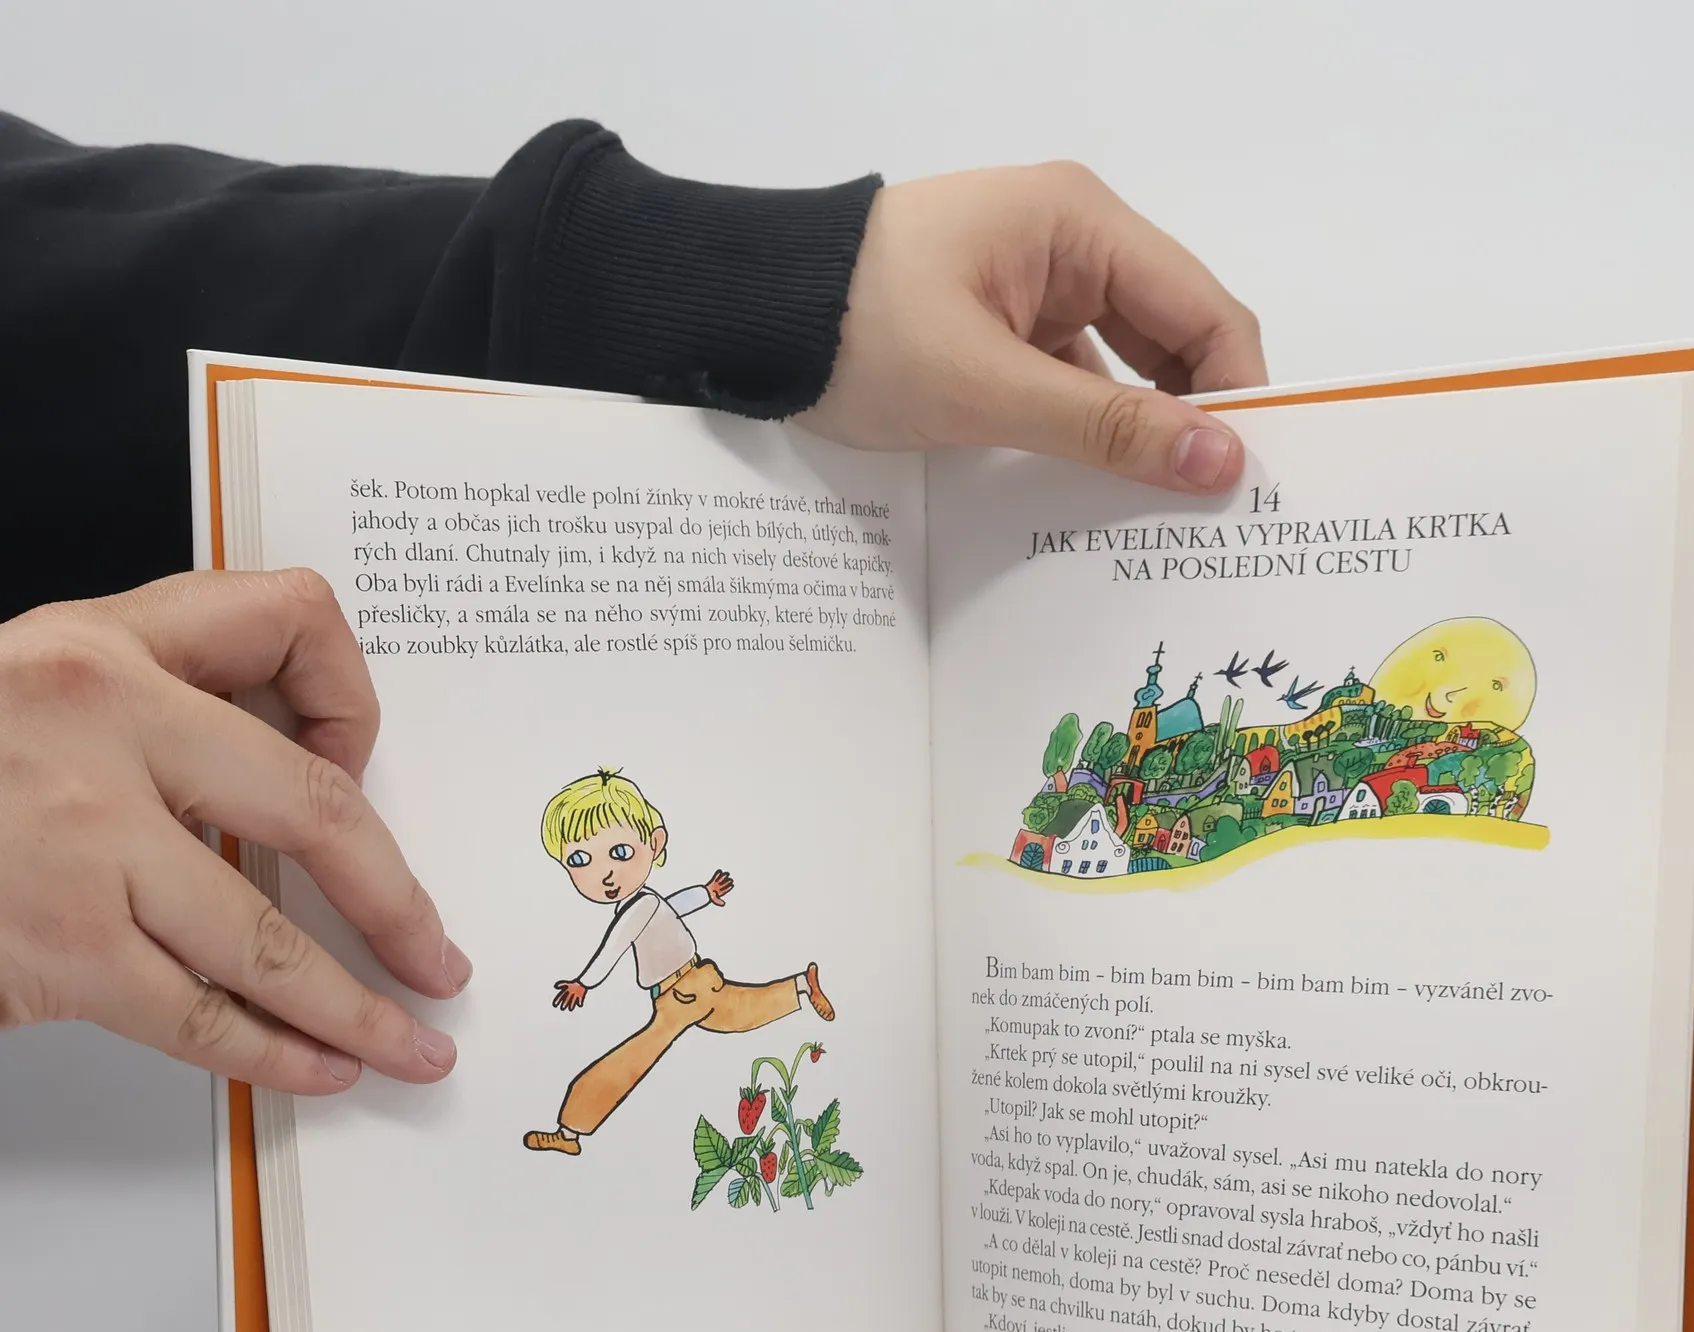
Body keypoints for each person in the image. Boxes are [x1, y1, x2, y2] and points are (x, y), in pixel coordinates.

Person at [0, 114, 1266, 1098]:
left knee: (687, 1030)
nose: (603, 870)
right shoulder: (635, 903)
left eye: (610, 854)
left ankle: (745, 1019)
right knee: (686, 1031)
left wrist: (755, 282)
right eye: (588, 862)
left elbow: (56, 289)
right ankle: (755, 1015)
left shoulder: (650, 895)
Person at [523, 768, 831, 1156]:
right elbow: (672, 907)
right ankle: (801, 986)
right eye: (580, 860)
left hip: (680, 994)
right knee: (739, 1011)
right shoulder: (644, 903)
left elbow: (614, 946)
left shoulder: (637, 908)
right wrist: (705, 893)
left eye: (620, 853)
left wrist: (585, 982)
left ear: (654, 843)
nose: (606, 874)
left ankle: (569, 1130)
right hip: (698, 981)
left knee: (631, 1059)